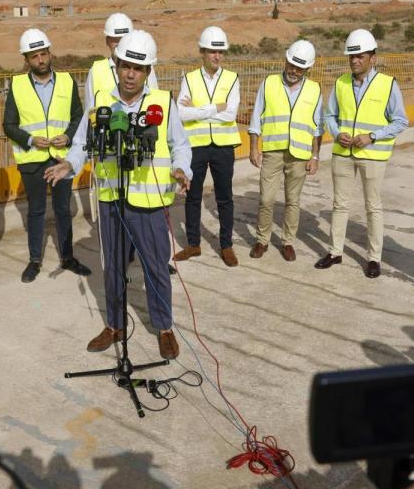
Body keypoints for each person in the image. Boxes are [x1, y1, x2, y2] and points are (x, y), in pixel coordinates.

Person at [46, 30, 191, 360]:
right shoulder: (101, 104)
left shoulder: (162, 103)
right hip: (111, 201)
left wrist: (183, 170)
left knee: (156, 267)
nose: (130, 74)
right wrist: (69, 164)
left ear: (148, 72)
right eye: (125, 66)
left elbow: (180, 146)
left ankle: (163, 327)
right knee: (111, 266)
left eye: (137, 69)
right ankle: (115, 324)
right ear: (117, 66)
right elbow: (82, 143)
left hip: (150, 202)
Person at [315, 29, 409, 278]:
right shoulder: (341, 82)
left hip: (373, 155)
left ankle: (373, 258)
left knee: (373, 207)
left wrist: (372, 136)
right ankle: (335, 252)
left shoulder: (388, 84)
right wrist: (336, 133)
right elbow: (329, 116)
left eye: (360, 56)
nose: (355, 60)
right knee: (340, 204)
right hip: (343, 153)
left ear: (372, 58)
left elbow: (400, 121)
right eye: (351, 56)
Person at [2, 28, 91, 282]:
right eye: (34, 56)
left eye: (43, 54)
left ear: (50, 53)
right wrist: (29, 139)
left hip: (61, 158)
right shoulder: (17, 85)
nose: (40, 60)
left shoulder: (66, 81)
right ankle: (34, 261)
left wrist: (69, 136)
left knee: (63, 210)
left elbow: (78, 117)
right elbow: (8, 125)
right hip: (32, 160)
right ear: (26, 60)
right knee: (36, 210)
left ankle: (68, 257)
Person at [248, 40, 323, 261]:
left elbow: (318, 127)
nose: (294, 70)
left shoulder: (314, 89)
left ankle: (288, 242)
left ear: (308, 69)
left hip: (299, 154)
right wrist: (254, 147)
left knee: (293, 201)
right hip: (272, 151)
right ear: (286, 60)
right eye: (291, 64)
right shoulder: (269, 83)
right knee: (266, 199)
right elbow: (255, 118)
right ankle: (262, 240)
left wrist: (315, 155)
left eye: (299, 67)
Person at [173, 26, 241, 267]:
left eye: (220, 51)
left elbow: (230, 114)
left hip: (223, 146)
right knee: (192, 196)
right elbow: (181, 113)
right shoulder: (189, 78)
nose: (217, 56)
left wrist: (198, 110)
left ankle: (226, 246)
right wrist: (214, 108)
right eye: (212, 51)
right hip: (196, 146)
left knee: (225, 198)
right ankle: (193, 244)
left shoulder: (232, 78)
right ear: (201, 51)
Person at [84, 13, 158, 112]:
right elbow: (89, 108)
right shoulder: (96, 70)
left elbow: (155, 100)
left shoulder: (147, 68)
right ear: (107, 41)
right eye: (115, 40)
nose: (119, 44)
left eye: (124, 39)